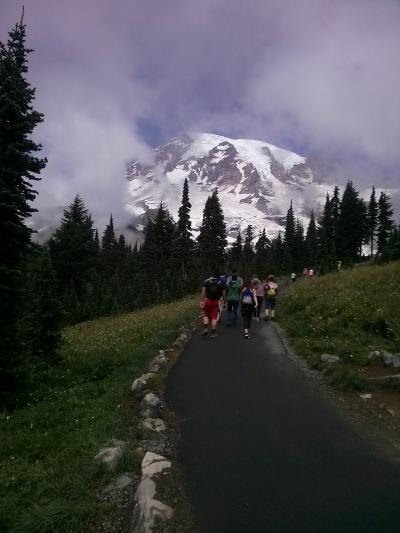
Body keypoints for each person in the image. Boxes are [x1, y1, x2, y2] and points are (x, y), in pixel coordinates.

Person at [200, 272, 226, 338]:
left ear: (213, 275)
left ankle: (205, 329)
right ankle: (213, 333)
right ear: (219, 276)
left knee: (206, 315)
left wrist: (202, 301)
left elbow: (203, 293)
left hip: (207, 300)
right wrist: (225, 302)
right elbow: (224, 295)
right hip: (216, 302)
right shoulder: (221, 283)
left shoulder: (207, 281)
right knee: (214, 317)